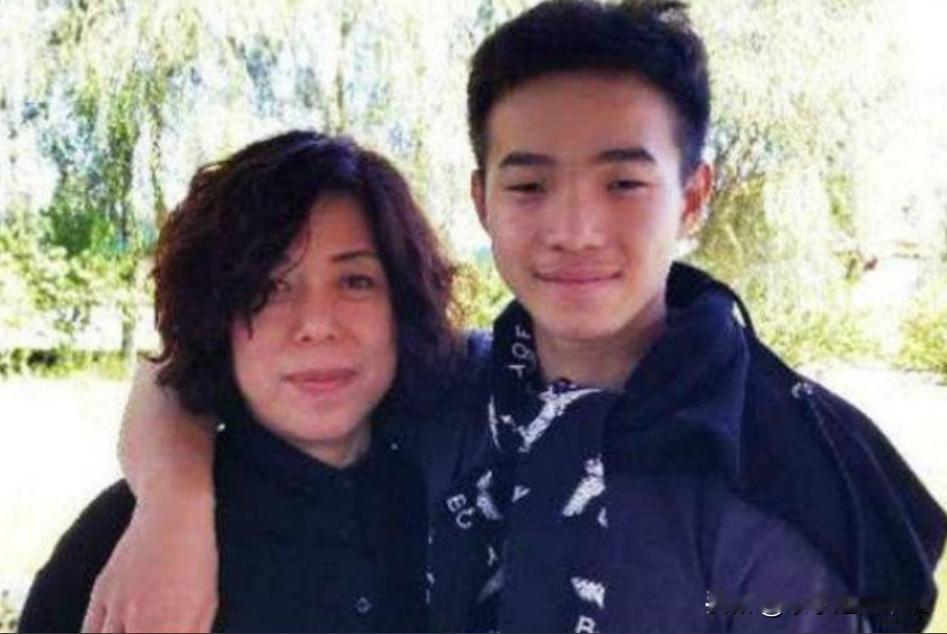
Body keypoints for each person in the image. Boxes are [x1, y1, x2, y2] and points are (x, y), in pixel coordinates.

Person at [78, 1, 947, 633]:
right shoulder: (451, 388)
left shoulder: (787, 470)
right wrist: (175, 507)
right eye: (529, 184)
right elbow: (187, 371)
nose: (574, 229)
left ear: (691, 197)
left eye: (623, 183)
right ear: (481, 200)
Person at [18, 130, 462, 632]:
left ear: (402, 303)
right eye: (271, 286)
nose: (317, 323)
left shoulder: (456, 501)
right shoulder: (130, 539)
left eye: (356, 281)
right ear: (217, 314)